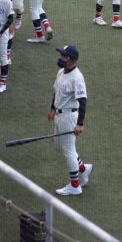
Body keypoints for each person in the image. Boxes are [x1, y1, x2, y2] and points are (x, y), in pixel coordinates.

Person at [48, 45, 92, 196]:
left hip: (69, 117)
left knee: (68, 151)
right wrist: (52, 108)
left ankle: (75, 186)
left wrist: (80, 123)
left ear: (70, 60)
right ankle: (83, 169)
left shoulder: (77, 77)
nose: (60, 58)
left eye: (63, 56)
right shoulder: (61, 72)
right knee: (59, 147)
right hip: (60, 115)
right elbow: (57, 92)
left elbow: (83, 101)